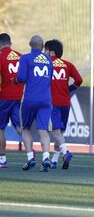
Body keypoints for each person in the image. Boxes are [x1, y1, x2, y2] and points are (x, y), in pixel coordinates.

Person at [15, 35, 54, 172]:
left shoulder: (25, 58)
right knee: (43, 130)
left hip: (30, 98)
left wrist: (17, 80)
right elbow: (49, 79)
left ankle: (30, 157)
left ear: (29, 44)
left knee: (25, 128)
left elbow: (21, 78)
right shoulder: (49, 60)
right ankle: (45, 157)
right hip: (45, 99)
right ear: (42, 46)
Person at [45, 39, 83, 169]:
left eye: (46, 49)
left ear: (51, 52)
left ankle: (66, 152)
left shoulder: (46, 64)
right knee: (59, 133)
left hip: (52, 103)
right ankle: (55, 161)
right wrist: (69, 89)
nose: (44, 52)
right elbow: (79, 80)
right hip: (65, 103)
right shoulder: (68, 64)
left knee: (55, 132)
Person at [0, 33, 23, 168]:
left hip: (4, 97)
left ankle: (2, 160)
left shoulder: (1, 56)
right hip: (19, 97)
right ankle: (31, 154)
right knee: (20, 127)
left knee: (0, 128)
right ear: (10, 43)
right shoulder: (21, 56)